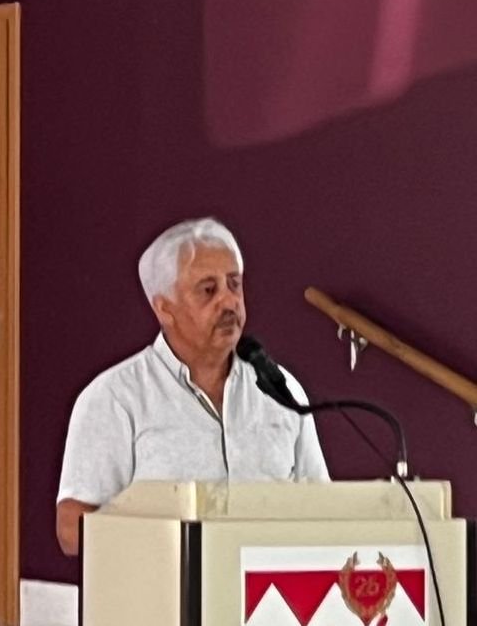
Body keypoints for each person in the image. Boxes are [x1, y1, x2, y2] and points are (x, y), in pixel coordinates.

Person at [55, 217, 328, 556]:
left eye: (234, 284)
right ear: (164, 308)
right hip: (162, 584)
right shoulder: (114, 398)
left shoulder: (280, 389)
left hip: (269, 587)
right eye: (208, 290)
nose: (229, 302)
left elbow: (325, 510)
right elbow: (71, 530)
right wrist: (169, 543)